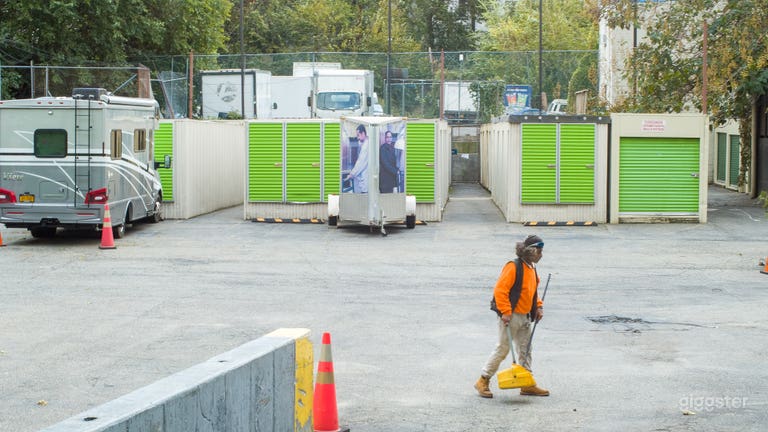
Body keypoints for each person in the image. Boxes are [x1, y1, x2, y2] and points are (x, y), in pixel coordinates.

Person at [474, 234, 549, 398]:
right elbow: (500, 291)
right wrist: (506, 312)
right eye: (540, 252)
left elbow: (532, 292)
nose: (541, 255)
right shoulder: (513, 266)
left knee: (526, 349)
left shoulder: (531, 268)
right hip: (511, 315)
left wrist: (538, 306)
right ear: (531, 251)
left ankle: (526, 383)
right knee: (503, 349)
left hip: (525, 316)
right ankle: (483, 380)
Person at [345, 125, 369, 193]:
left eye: (358, 135)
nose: (357, 138)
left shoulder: (366, 146)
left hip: (365, 179)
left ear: (363, 133)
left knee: (364, 197)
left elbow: (360, 162)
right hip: (365, 179)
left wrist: (352, 174)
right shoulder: (366, 143)